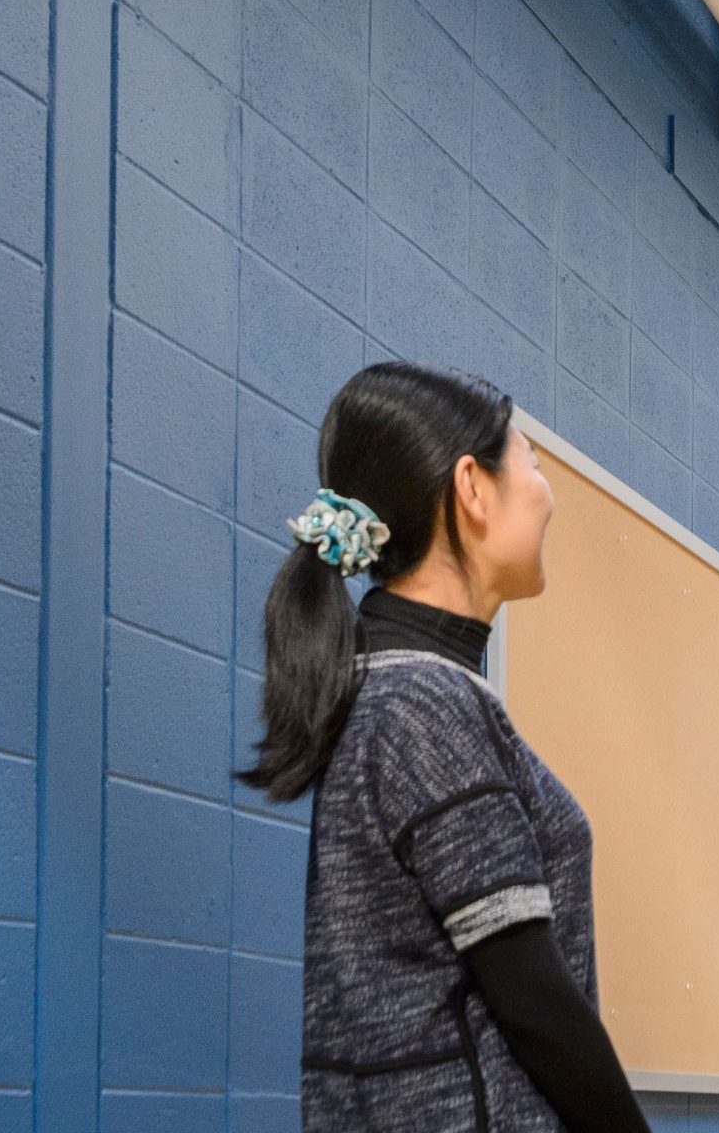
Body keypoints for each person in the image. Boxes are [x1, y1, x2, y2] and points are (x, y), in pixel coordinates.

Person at [246, 361, 650, 1133]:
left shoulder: (397, 691)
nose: (547, 493)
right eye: (531, 461)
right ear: (472, 487)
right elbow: (531, 997)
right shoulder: (422, 707)